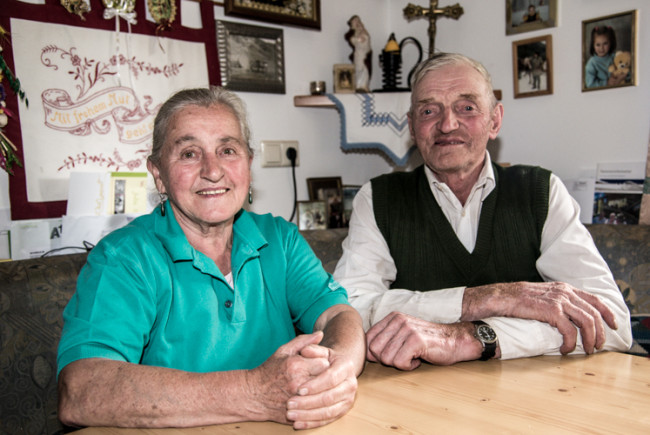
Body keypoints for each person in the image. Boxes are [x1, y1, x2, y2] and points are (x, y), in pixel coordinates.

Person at [57, 87, 366, 430]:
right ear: (158, 173)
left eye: (228, 150)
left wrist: (337, 371)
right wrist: (254, 391)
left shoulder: (280, 239)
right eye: (189, 153)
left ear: (248, 163)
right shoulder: (124, 258)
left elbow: (338, 314)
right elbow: (82, 389)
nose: (213, 170)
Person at [333, 53, 632, 371]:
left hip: (531, 403)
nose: (447, 124)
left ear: (495, 120)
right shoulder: (379, 198)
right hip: (415, 402)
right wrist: (484, 299)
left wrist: (473, 337)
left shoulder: (540, 192)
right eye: (429, 110)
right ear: (411, 127)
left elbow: (611, 323)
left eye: (467, 107)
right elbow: (343, 312)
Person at [345, 15, 371, 93]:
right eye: (355, 21)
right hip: (359, 54)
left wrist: (362, 35)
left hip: (365, 54)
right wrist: (359, 38)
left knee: (365, 69)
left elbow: (366, 39)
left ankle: (363, 85)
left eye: (358, 21)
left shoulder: (363, 31)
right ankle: (358, 85)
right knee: (359, 68)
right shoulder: (354, 34)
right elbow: (354, 40)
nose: (358, 23)